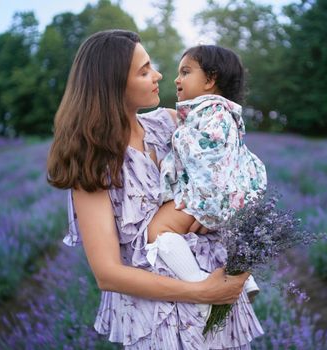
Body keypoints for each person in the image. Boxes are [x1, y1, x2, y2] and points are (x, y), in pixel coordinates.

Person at [47, 30, 263, 349]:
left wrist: (221, 207)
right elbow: (108, 274)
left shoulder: (169, 124)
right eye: (144, 70)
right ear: (113, 84)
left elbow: (230, 163)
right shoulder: (93, 162)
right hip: (158, 319)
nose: (158, 75)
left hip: (218, 298)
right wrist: (203, 292)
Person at [144, 45, 267, 319]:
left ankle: (200, 287)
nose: (177, 80)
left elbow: (208, 153)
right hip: (222, 195)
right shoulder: (223, 114)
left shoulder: (211, 112)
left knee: (159, 230)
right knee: (222, 237)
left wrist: (180, 137)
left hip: (206, 195)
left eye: (185, 72)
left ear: (210, 81)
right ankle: (245, 280)